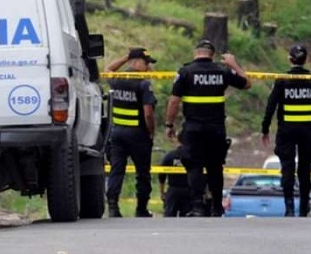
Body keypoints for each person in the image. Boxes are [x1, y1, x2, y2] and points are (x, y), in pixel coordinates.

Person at [165, 39, 251, 217]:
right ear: (212, 54)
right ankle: (217, 207)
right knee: (215, 167)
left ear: (195, 52)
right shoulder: (222, 71)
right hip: (216, 129)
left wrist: (169, 124)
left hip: (193, 129)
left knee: (194, 166)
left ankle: (197, 206)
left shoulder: (186, 72)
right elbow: (247, 83)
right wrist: (234, 64)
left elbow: (174, 101)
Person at [261, 44, 311, 217]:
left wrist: (265, 129)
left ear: (290, 59)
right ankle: (303, 209)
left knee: (287, 169)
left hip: (286, 132)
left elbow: (271, 106)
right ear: (305, 60)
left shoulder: (282, 80)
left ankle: (289, 208)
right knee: (305, 170)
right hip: (307, 131)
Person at [105, 47, 157, 218]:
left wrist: (125, 57)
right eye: (146, 63)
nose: (149, 68)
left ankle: (113, 207)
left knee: (116, 171)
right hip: (138, 135)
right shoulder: (143, 84)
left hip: (117, 134)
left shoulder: (117, 79)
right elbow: (148, 113)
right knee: (142, 173)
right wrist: (151, 132)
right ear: (137, 62)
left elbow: (108, 70)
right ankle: (141, 209)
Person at [158, 129, 191, 217]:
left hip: (173, 191)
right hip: (188, 191)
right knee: (188, 220)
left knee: (169, 218)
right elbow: (201, 175)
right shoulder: (192, 156)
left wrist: (162, 193)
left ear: (177, 140)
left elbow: (161, 175)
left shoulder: (169, 156)